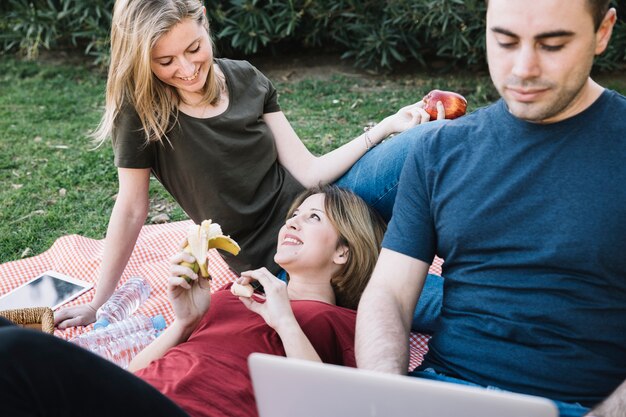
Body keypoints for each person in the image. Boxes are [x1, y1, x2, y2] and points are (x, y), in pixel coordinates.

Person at [53, 0, 444, 329]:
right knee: (450, 306)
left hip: (322, 205)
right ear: (141, 61)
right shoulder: (140, 113)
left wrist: (388, 128)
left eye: (193, 49)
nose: (186, 70)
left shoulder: (245, 77)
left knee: (432, 144)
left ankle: (485, 244)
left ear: (204, 20)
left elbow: (308, 172)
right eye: (166, 61)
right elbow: (132, 208)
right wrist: (97, 304)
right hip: (286, 260)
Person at [355, 1, 626, 417]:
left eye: (552, 44)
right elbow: (389, 293)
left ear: (603, 32)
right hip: (441, 394)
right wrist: (386, 394)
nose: (523, 68)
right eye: (504, 41)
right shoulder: (440, 149)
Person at [1, 185, 386, 417]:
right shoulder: (233, 293)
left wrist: (285, 320)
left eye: (313, 218)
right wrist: (184, 321)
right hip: (135, 397)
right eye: (293, 214)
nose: (292, 222)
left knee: (18, 349)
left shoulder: (341, 320)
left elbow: (333, 408)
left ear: (343, 253)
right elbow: (135, 372)